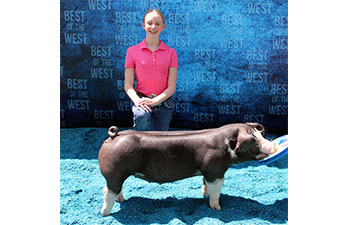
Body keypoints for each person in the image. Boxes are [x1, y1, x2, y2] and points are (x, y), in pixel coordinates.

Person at [124, 9, 178, 131]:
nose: (153, 27)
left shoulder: (171, 53)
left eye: (157, 24)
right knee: (141, 120)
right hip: (141, 101)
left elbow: (172, 87)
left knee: (159, 141)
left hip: (164, 102)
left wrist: (154, 101)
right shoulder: (132, 51)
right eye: (149, 23)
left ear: (163, 27)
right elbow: (128, 85)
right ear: (143, 25)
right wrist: (138, 101)